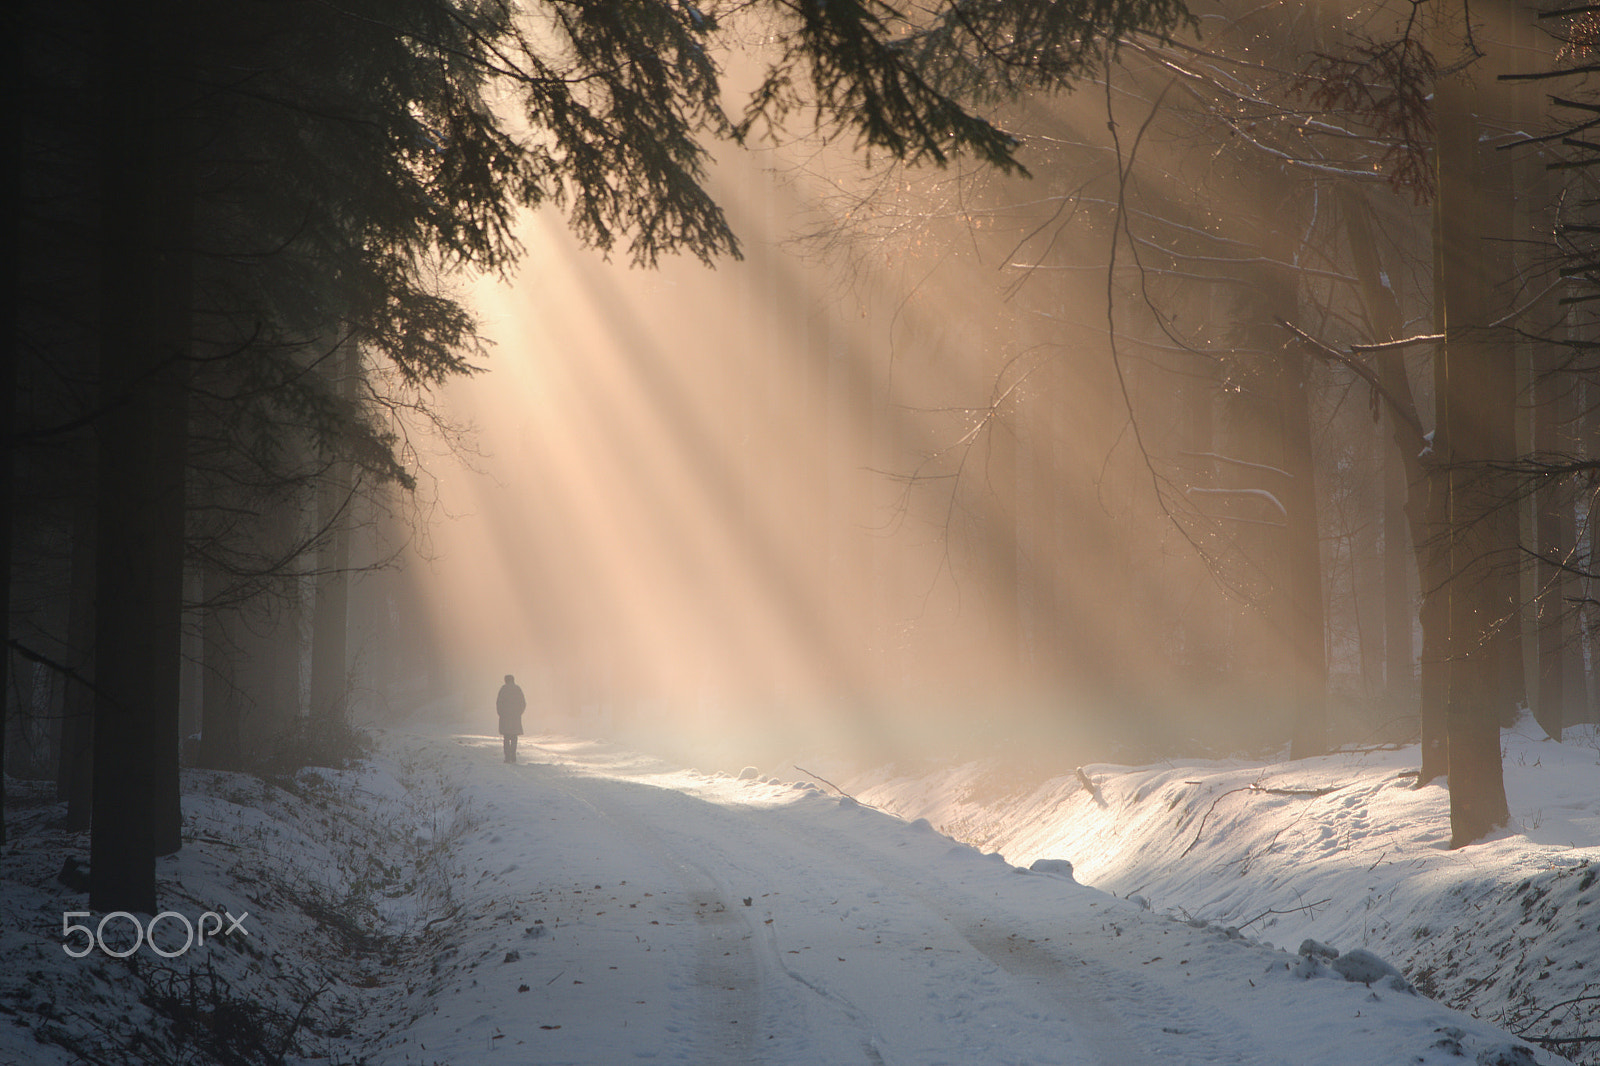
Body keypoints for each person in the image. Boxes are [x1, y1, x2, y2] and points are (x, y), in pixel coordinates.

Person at [496, 674, 527, 763]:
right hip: (515, 717)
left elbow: (499, 703)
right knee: (514, 737)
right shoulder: (518, 689)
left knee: (506, 737)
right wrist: (519, 712)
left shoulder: (503, 689)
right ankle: (513, 755)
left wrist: (501, 713)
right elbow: (523, 703)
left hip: (505, 717)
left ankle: (507, 757)